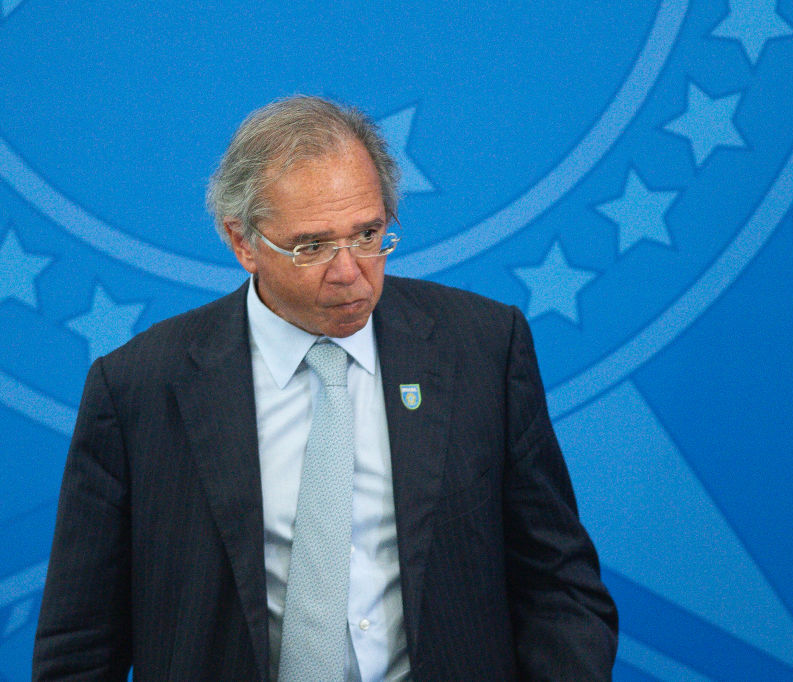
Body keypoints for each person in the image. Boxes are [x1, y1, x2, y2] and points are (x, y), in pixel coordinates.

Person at [33, 95, 617, 680]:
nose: (348, 271)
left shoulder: (482, 348)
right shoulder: (138, 387)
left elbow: (559, 585)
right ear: (243, 243)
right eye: (311, 246)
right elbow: (80, 642)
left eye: (368, 234)